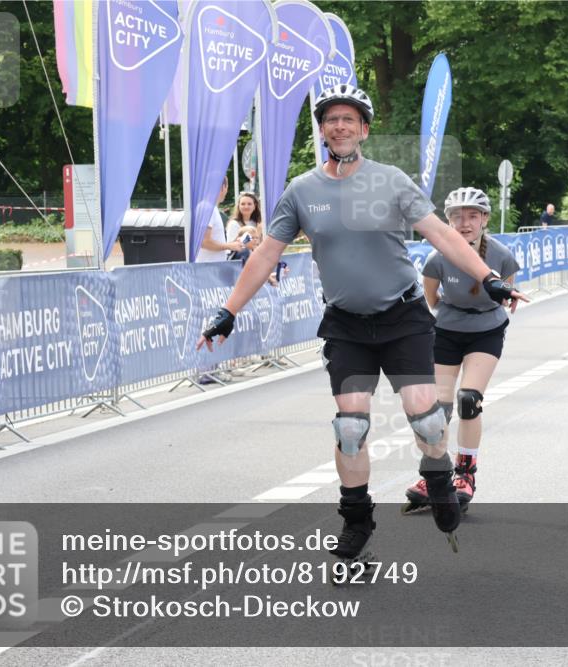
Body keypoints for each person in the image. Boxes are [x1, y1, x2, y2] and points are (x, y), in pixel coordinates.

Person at [194, 84, 526, 558]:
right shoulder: (302, 191)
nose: (341, 126)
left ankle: (440, 479)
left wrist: (488, 277)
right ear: (324, 130)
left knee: (428, 421)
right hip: (347, 325)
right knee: (350, 428)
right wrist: (228, 311)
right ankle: (356, 521)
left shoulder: (390, 180)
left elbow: (441, 236)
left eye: (350, 119)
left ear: (364, 130)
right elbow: (267, 253)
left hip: (404, 318)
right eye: (332, 119)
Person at [402, 187, 519, 514]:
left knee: (469, 399)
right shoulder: (436, 257)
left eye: (472, 216)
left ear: (484, 219)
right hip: (447, 330)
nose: (464, 223)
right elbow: (432, 299)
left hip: (486, 331)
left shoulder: (501, 255)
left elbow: (506, 293)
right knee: (435, 410)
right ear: (447, 220)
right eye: (457, 216)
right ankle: (434, 474)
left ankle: (465, 471)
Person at [195, 177, 243, 263]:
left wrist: (231, 244)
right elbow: (204, 242)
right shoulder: (207, 208)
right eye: (227, 188)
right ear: (223, 187)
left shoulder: (210, 208)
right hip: (208, 268)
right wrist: (229, 246)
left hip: (212, 267)